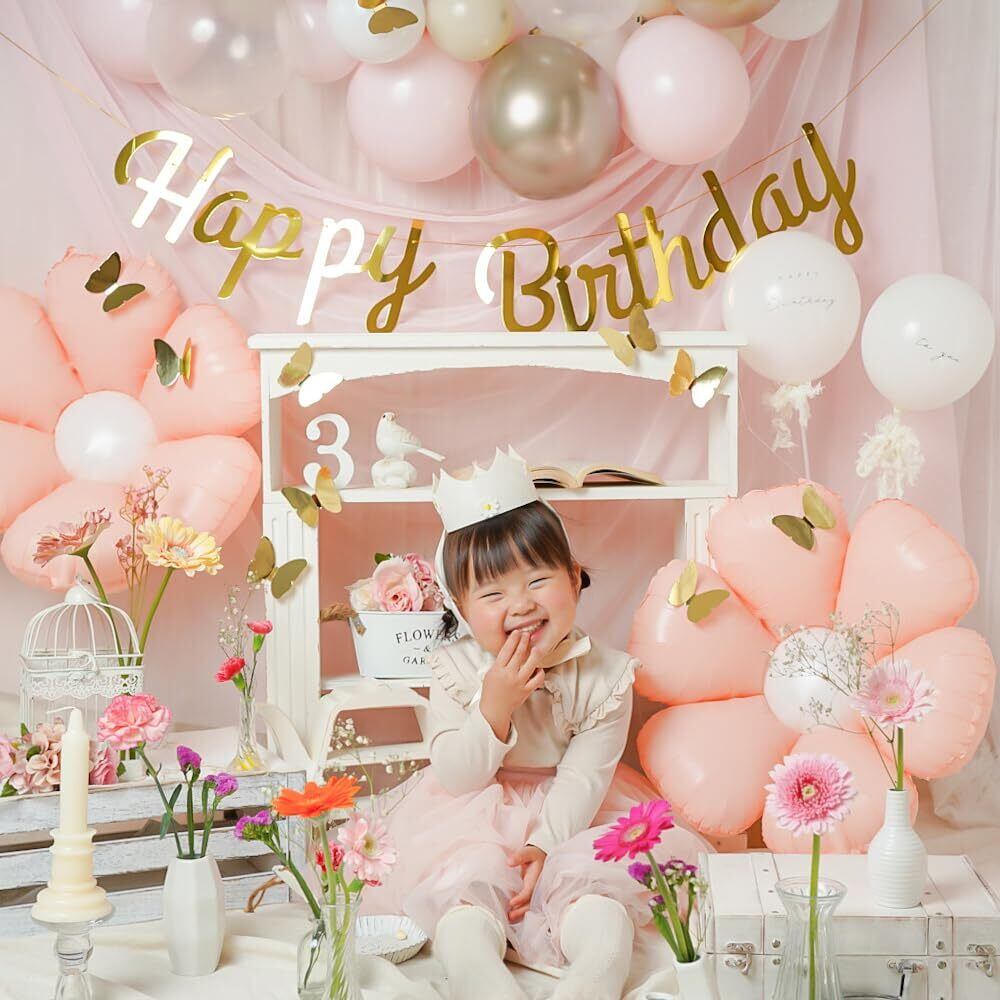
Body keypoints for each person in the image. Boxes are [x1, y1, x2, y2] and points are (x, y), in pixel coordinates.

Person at [361, 448, 706, 1000]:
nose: (520, 604)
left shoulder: (607, 675)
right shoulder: (453, 669)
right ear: (462, 607)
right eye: (493, 593)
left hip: (576, 813)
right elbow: (455, 775)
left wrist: (547, 845)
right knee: (463, 905)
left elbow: (585, 777)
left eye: (538, 580)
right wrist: (494, 706)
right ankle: (484, 981)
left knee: (599, 902)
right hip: (472, 811)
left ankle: (590, 983)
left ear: (573, 578)